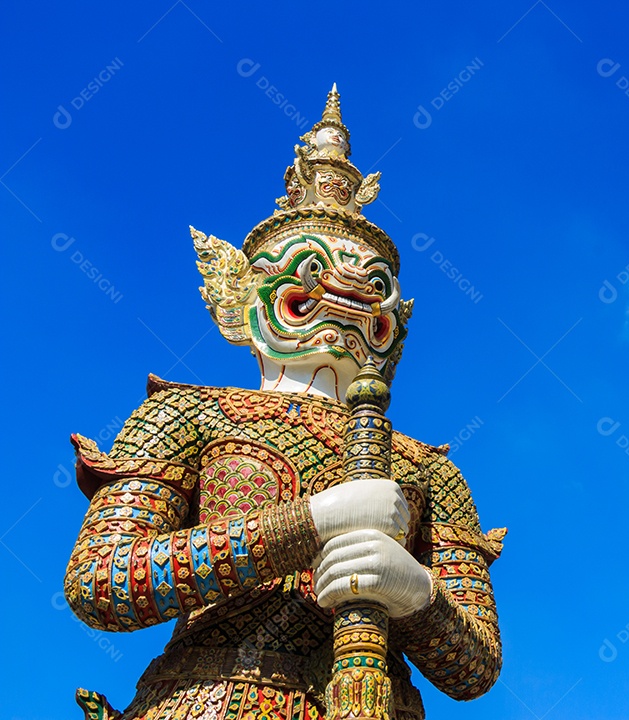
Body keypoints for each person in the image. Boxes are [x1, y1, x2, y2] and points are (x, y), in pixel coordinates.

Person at [64, 85, 505, 720]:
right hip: (212, 699)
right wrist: (310, 523)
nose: (349, 289)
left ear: (394, 322)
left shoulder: (428, 471)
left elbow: (475, 668)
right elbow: (100, 581)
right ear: (245, 297)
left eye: (374, 284)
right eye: (311, 266)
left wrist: (415, 594)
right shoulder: (188, 415)